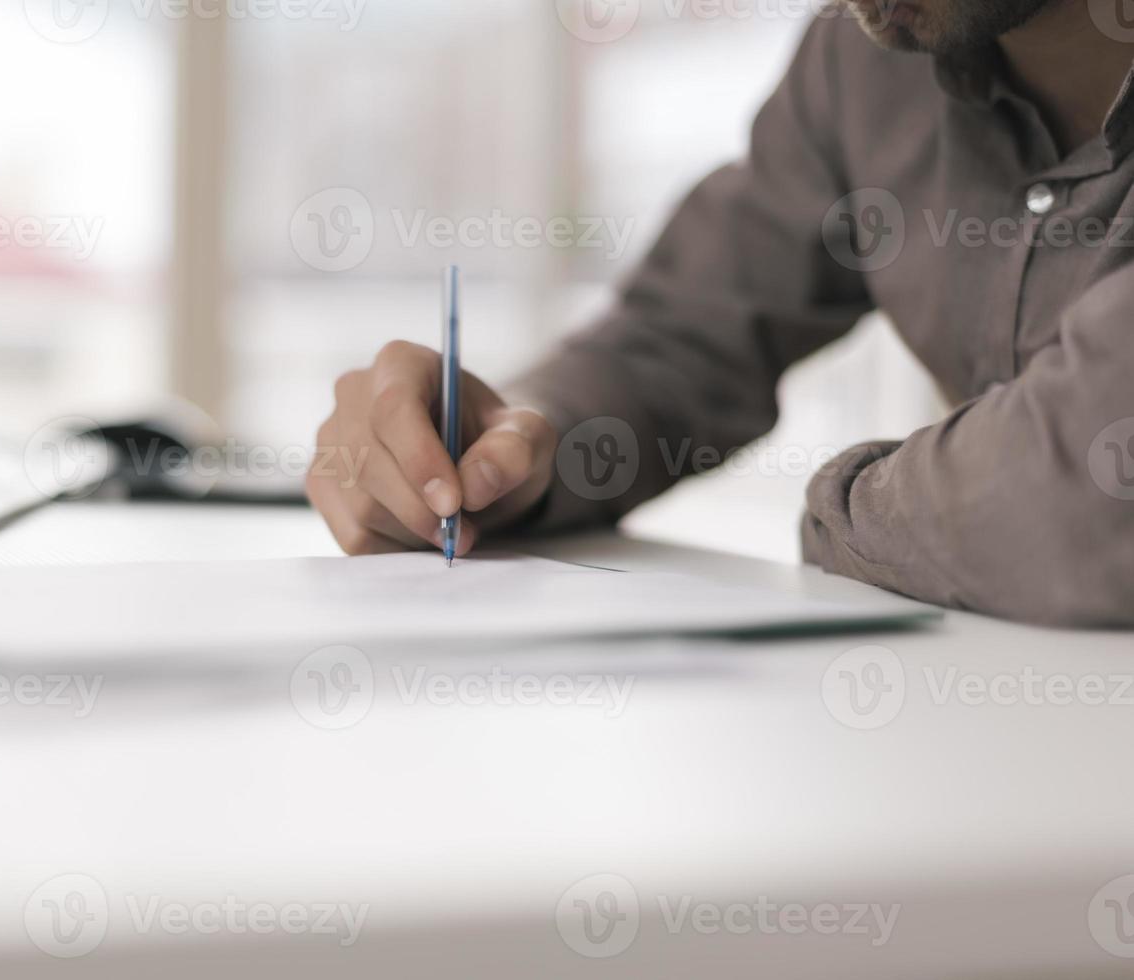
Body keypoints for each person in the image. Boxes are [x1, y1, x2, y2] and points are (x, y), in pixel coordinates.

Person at [305, 0, 1134, 628]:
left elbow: (1077, 496)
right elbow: (681, 335)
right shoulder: (864, 64)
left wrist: (846, 508)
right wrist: (503, 442)